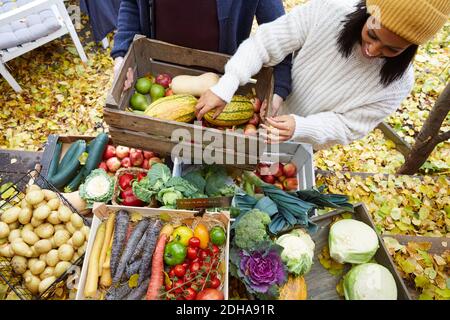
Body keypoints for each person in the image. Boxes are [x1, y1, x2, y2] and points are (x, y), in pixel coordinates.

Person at [195, 0, 450, 150]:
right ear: (368, 13)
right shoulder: (330, 10)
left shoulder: (399, 83)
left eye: (392, 49)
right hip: (262, 110)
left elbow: (349, 126)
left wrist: (301, 127)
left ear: (412, 48)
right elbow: (263, 44)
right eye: (372, 35)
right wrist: (226, 85)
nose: (373, 50)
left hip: (301, 142)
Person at [111, 0, 293, 109]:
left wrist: (280, 87)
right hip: (160, 81)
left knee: (210, 162)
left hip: (221, 88)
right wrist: (122, 56)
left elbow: (278, 30)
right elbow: (132, 4)